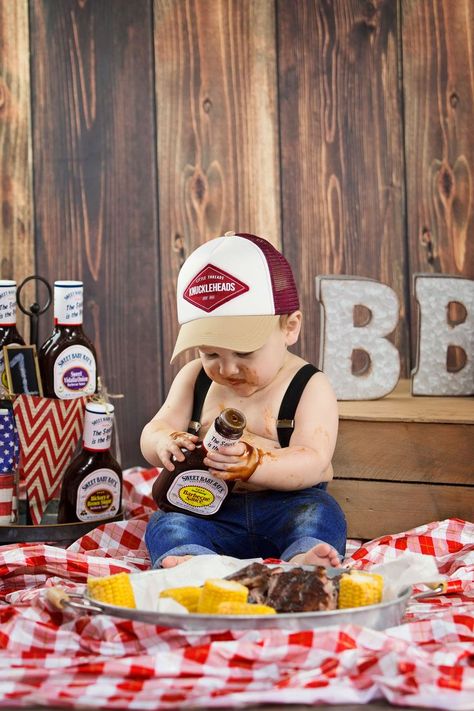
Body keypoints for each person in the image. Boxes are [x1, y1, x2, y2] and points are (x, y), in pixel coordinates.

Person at [141, 232, 347, 569]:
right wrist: (164, 440)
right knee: (167, 523)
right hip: (207, 511)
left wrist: (255, 463)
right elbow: (154, 429)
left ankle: (304, 558)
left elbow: (314, 459)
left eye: (244, 351)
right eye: (210, 352)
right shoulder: (196, 379)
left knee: (320, 513)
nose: (227, 367)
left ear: (290, 327)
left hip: (284, 506)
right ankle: (192, 562)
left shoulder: (308, 386)